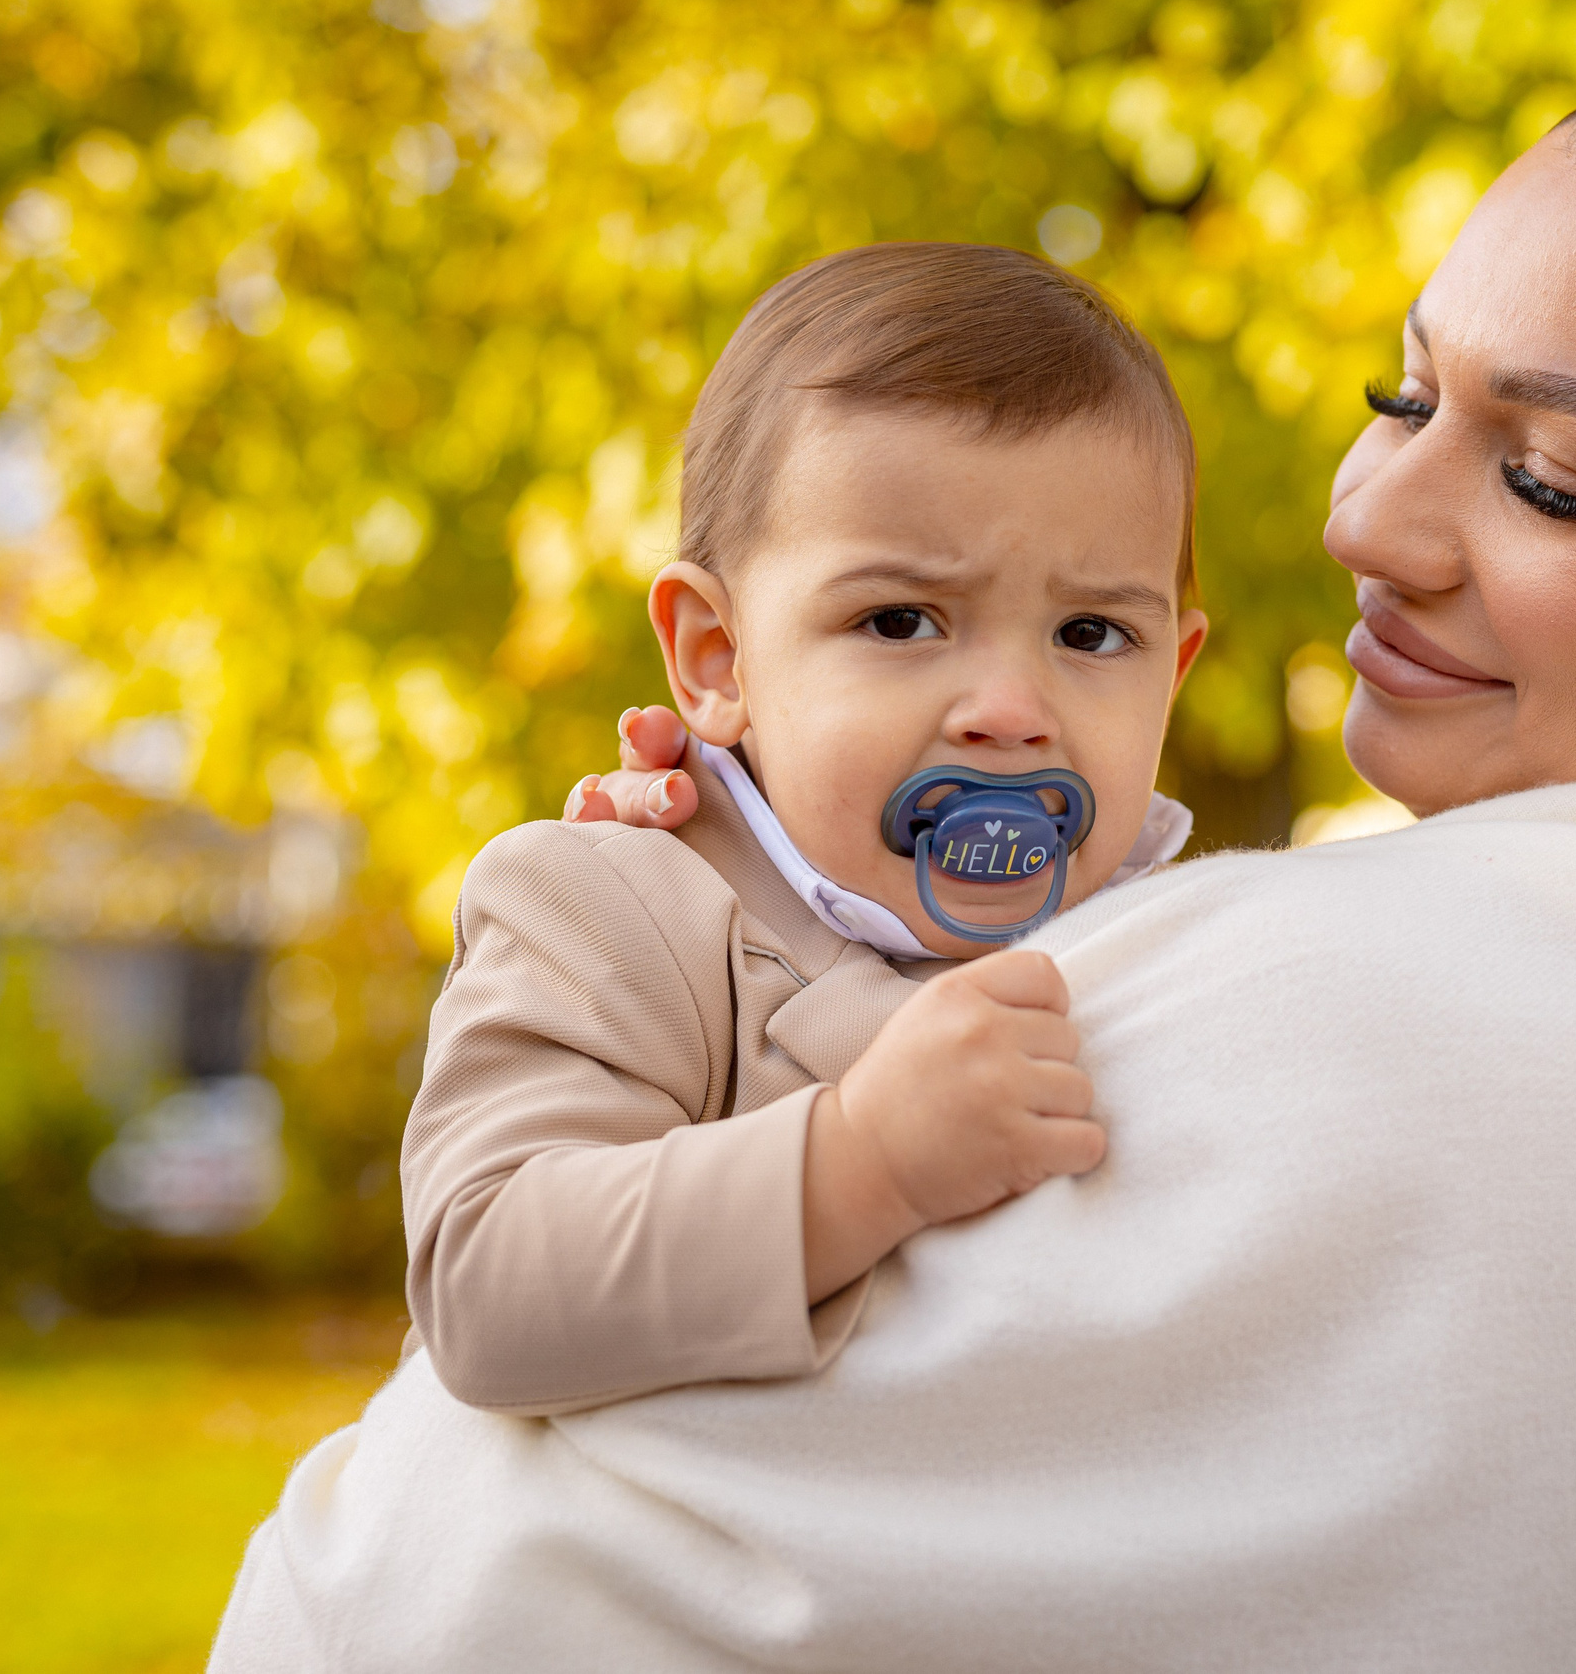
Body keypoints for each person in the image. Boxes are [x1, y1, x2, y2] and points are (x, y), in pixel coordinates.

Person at [215, 51, 1576, 1671]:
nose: (1366, 521)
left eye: (1549, 479)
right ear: (710, 649)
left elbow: (424, 1576)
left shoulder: (1345, 996)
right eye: (1400, 397)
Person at [393, 241, 1209, 1415]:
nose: (1009, 710)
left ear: (1172, 676)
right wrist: (860, 1161)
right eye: (901, 621)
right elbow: (486, 1286)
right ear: (716, 658)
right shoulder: (613, 909)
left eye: (1090, 635)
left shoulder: (1183, 937)